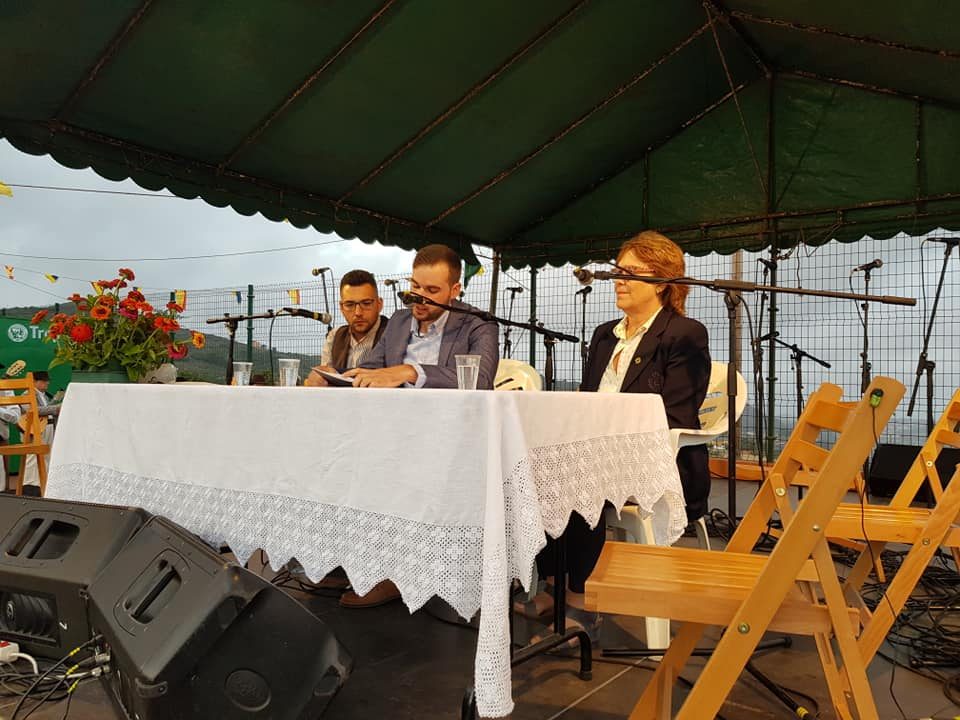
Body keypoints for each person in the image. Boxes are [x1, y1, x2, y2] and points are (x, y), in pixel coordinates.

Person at [522, 230, 711, 635]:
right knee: (538, 468)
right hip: (599, 452)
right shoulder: (606, 334)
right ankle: (554, 585)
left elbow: (676, 414)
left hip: (659, 458)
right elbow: (589, 399)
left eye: (630, 273)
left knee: (582, 476)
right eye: (616, 271)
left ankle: (581, 600)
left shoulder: (684, 334)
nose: (618, 280)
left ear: (662, 282)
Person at [305, 245, 499, 608]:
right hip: (391, 433)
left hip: (451, 438)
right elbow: (376, 367)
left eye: (431, 290)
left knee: (381, 468)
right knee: (336, 459)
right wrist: (339, 377)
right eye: (414, 286)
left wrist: (412, 371)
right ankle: (361, 566)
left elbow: (481, 379)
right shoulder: (398, 320)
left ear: (455, 290)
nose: (418, 297)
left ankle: (396, 574)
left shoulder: (478, 324)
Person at [315, 270, 389, 375]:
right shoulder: (335, 336)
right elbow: (326, 377)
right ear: (341, 307)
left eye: (366, 304)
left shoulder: (394, 334)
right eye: (350, 305)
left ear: (379, 304)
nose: (358, 312)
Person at [20, 370, 60, 495]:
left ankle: (42, 482)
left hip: (46, 426)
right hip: (33, 429)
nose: (46, 384)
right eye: (43, 381)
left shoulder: (44, 395)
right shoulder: (27, 394)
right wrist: (55, 408)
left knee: (46, 456)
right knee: (33, 456)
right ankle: (31, 484)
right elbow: (32, 410)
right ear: (35, 382)